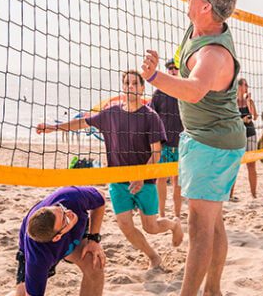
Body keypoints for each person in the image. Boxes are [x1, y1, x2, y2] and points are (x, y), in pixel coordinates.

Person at [139, 0, 246, 296]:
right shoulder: (203, 19)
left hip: (214, 144)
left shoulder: (214, 54)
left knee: (201, 227)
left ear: (205, 6)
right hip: (208, 139)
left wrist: (155, 78)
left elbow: (196, 90)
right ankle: (214, 290)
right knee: (212, 219)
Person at [39, 70, 182, 269]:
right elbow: (82, 122)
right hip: (117, 180)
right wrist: (54, 128)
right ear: (123, 87)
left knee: (151, 227)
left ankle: (174, 224)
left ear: (142, 88)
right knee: (125, 225)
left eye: (135, 83)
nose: (131, 86)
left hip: (144, 181)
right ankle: (153, 257)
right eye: (127, 83)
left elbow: (156, 153)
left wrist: (141, 177)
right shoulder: (111, 113)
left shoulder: (151, 117)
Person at [8, 187, 107, 296]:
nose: (69, 212)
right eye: (65, 219)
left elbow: (100, 198)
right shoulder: (37, 256)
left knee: (94, 264)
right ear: (57, 238)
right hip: (43, 249)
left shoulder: (70, 198)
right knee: (22, 294)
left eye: (62, 209)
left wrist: (94, 239)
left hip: (74, 233)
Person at [148, 59, 185, 219]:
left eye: (175, 68)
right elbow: (150, 116)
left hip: (181, 143)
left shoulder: (185, 90)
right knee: (161, 180)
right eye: (170, 68)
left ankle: (176, 214)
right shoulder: (159, 93)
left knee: (178, 182)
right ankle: (162, 213)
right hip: (163, 144)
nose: (173, 70)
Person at [231, 77, 258, 200]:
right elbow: (231, 120)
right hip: (237, 135)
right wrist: (242, 120)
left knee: (251, 166)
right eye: (244, 85)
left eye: (246, 85)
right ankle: (230, 195)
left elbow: (255, 116)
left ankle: (253, 195)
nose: (246, 87)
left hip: (250, 133)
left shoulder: (249, 101)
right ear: (238, 87)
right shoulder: (232, 102)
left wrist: (248, 102)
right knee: (233, 166)